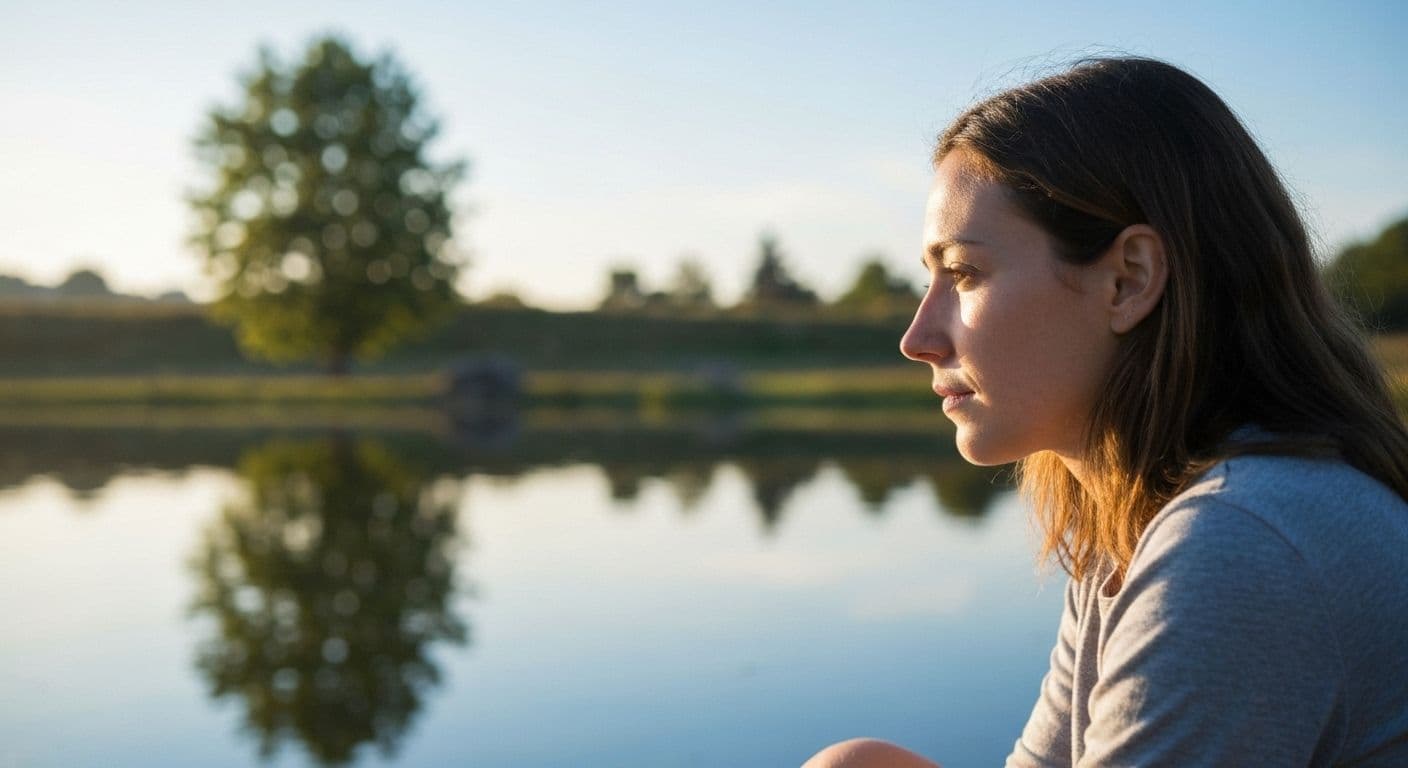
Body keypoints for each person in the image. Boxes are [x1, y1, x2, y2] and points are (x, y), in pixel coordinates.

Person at [804, 56, 1408, 767]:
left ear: (1129, 280)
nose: (918, 338)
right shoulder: (1131, 527)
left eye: (963, 273)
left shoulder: (1241, 542)